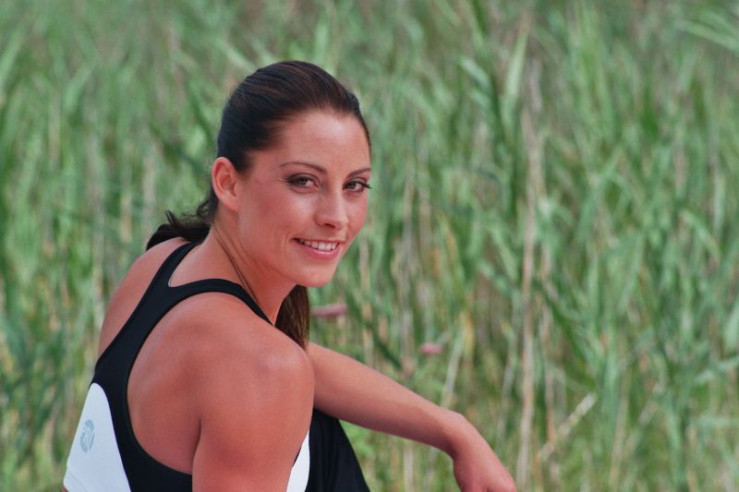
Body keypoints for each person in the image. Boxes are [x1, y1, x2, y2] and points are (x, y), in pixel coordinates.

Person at [63, 60, 515, 491]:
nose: (337, 216)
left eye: (354, 185)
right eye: (303, 181)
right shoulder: (259, 368)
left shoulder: (161, 267)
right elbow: (264, 368)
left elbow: (294, 363)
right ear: (228, 182)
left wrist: (453, 431)